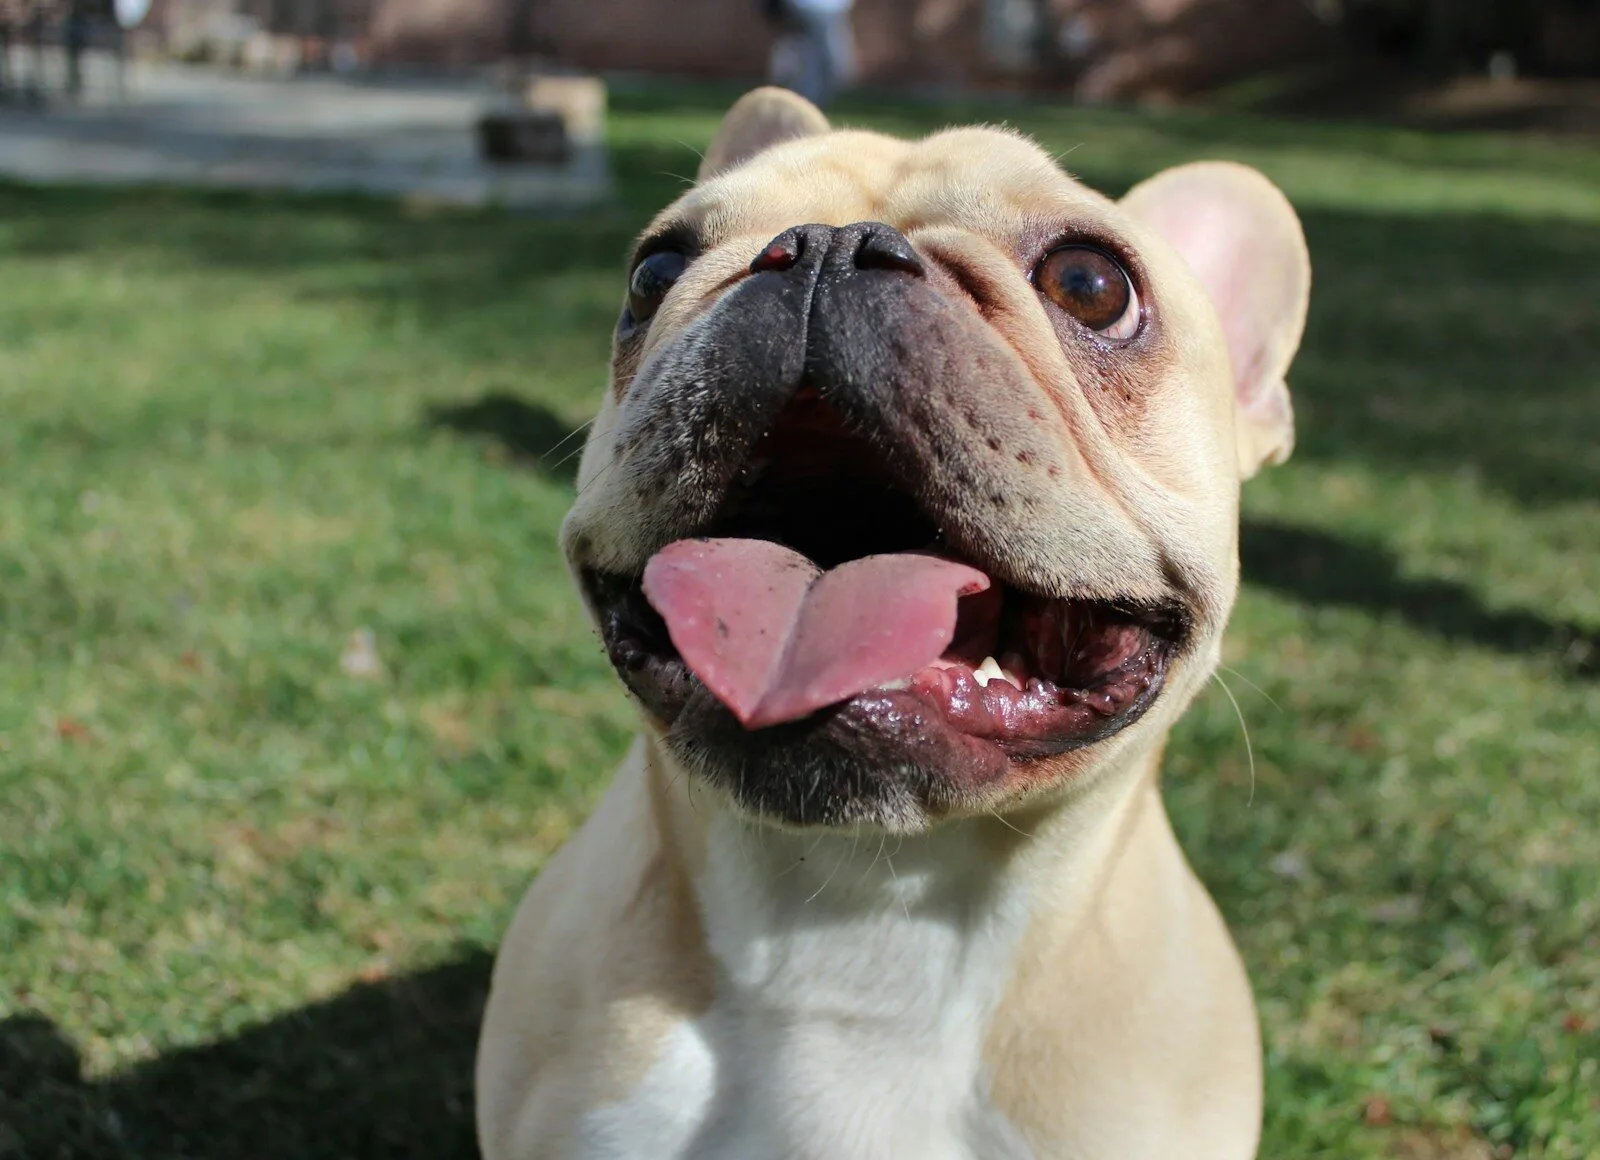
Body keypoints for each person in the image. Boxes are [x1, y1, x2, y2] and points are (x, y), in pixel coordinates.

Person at [764, 0, 855, 108]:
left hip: (829, 13)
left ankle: (804, 100)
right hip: (807, 10)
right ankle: (801, 100)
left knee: (828, 64)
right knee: (819, 62)